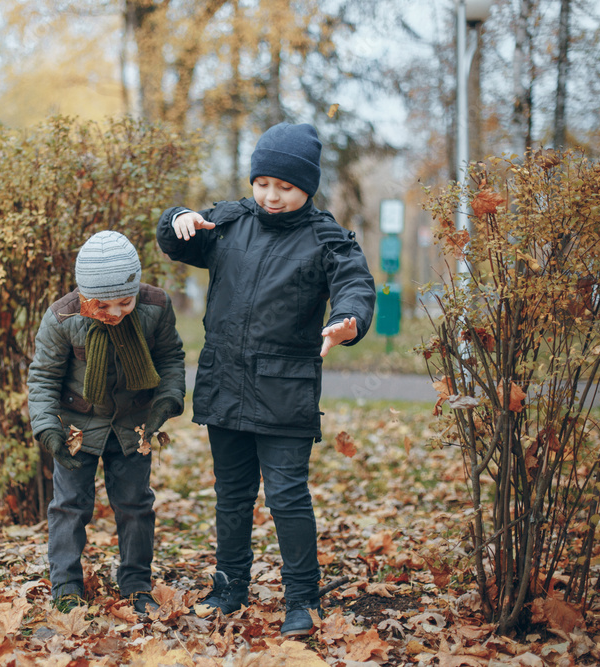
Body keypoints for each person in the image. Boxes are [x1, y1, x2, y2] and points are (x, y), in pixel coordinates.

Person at [155, 122, 376, 637]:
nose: (271, 196)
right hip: (225, 384)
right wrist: (178, 219)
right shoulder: (229, 222)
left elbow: (355, 284)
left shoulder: (325, 237)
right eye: (263, 184)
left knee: (287, 496)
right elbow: (176, 240)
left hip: (285, 391)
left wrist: (349, 321)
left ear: (307, 188)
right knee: (231, 495)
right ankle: (229, 588)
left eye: (285, 187)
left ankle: (303, 598)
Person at [28, 230, 186, 614]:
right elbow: (43, 378)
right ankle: (65, 585)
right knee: (69, 506)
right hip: (76, 428)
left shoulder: (156, 307)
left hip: (133, 425)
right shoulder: (62, 317)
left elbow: (170, 359)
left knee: (135, 504)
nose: (115, 313)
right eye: (103, 305)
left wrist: (167, 398)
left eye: (124, 302)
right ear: (84, 296)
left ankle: (135, 582)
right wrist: (48, 428)